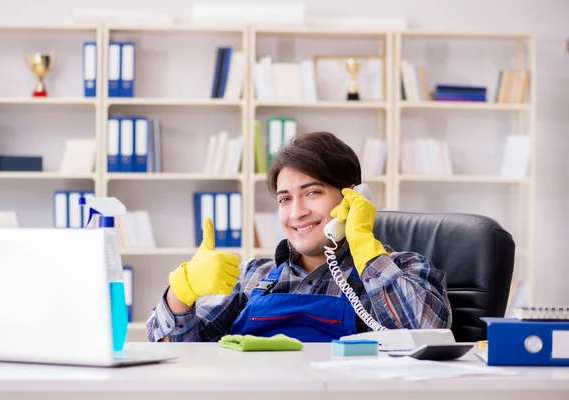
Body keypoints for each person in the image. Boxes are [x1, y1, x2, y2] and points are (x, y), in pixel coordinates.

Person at [146, 131, 452, 342]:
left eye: (313, 193)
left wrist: (365, 248)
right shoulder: (253, 277)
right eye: (285, 199)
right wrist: (181, 294)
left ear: (354, 197)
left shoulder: (406, 269)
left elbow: (427, 335)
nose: (297, 212)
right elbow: (181, 354)